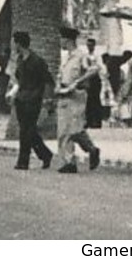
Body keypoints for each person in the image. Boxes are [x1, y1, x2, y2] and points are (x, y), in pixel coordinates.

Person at [55, 25, 101, 174]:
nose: (60, 42)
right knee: (68, 130)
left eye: (61, 39)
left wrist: (78, 82)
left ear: (67, 40)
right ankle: (76, 158)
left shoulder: (81, 56)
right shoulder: (66, 58)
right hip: (64, 94)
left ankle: (80, 156)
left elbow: (94, 69)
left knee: (71, 130)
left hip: (76, 97)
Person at [10, 30, 54, 170]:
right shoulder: (19, 60)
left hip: (33, 99)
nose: (12, 45)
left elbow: (48, 80)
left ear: (19, 43)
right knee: (27, 130)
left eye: (14, 42)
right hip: (21, 99)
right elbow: (18, 79)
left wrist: (47, 99)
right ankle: (45, 154)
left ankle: (23, 161)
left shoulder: (37, 61)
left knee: (26, 131)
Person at [83, 37, 104, 129]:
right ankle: (89, 120)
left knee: (96, 99)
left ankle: (97, 121)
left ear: (94, 46)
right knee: (88, 100)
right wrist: (90, 68)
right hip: (88, 78)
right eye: (88, 45)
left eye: (91, 45)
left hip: (95, 79)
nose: (89, 47)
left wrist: (91, 68)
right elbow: (84, 65)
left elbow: (99, 66)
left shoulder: (98, 55)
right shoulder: (85, 55)